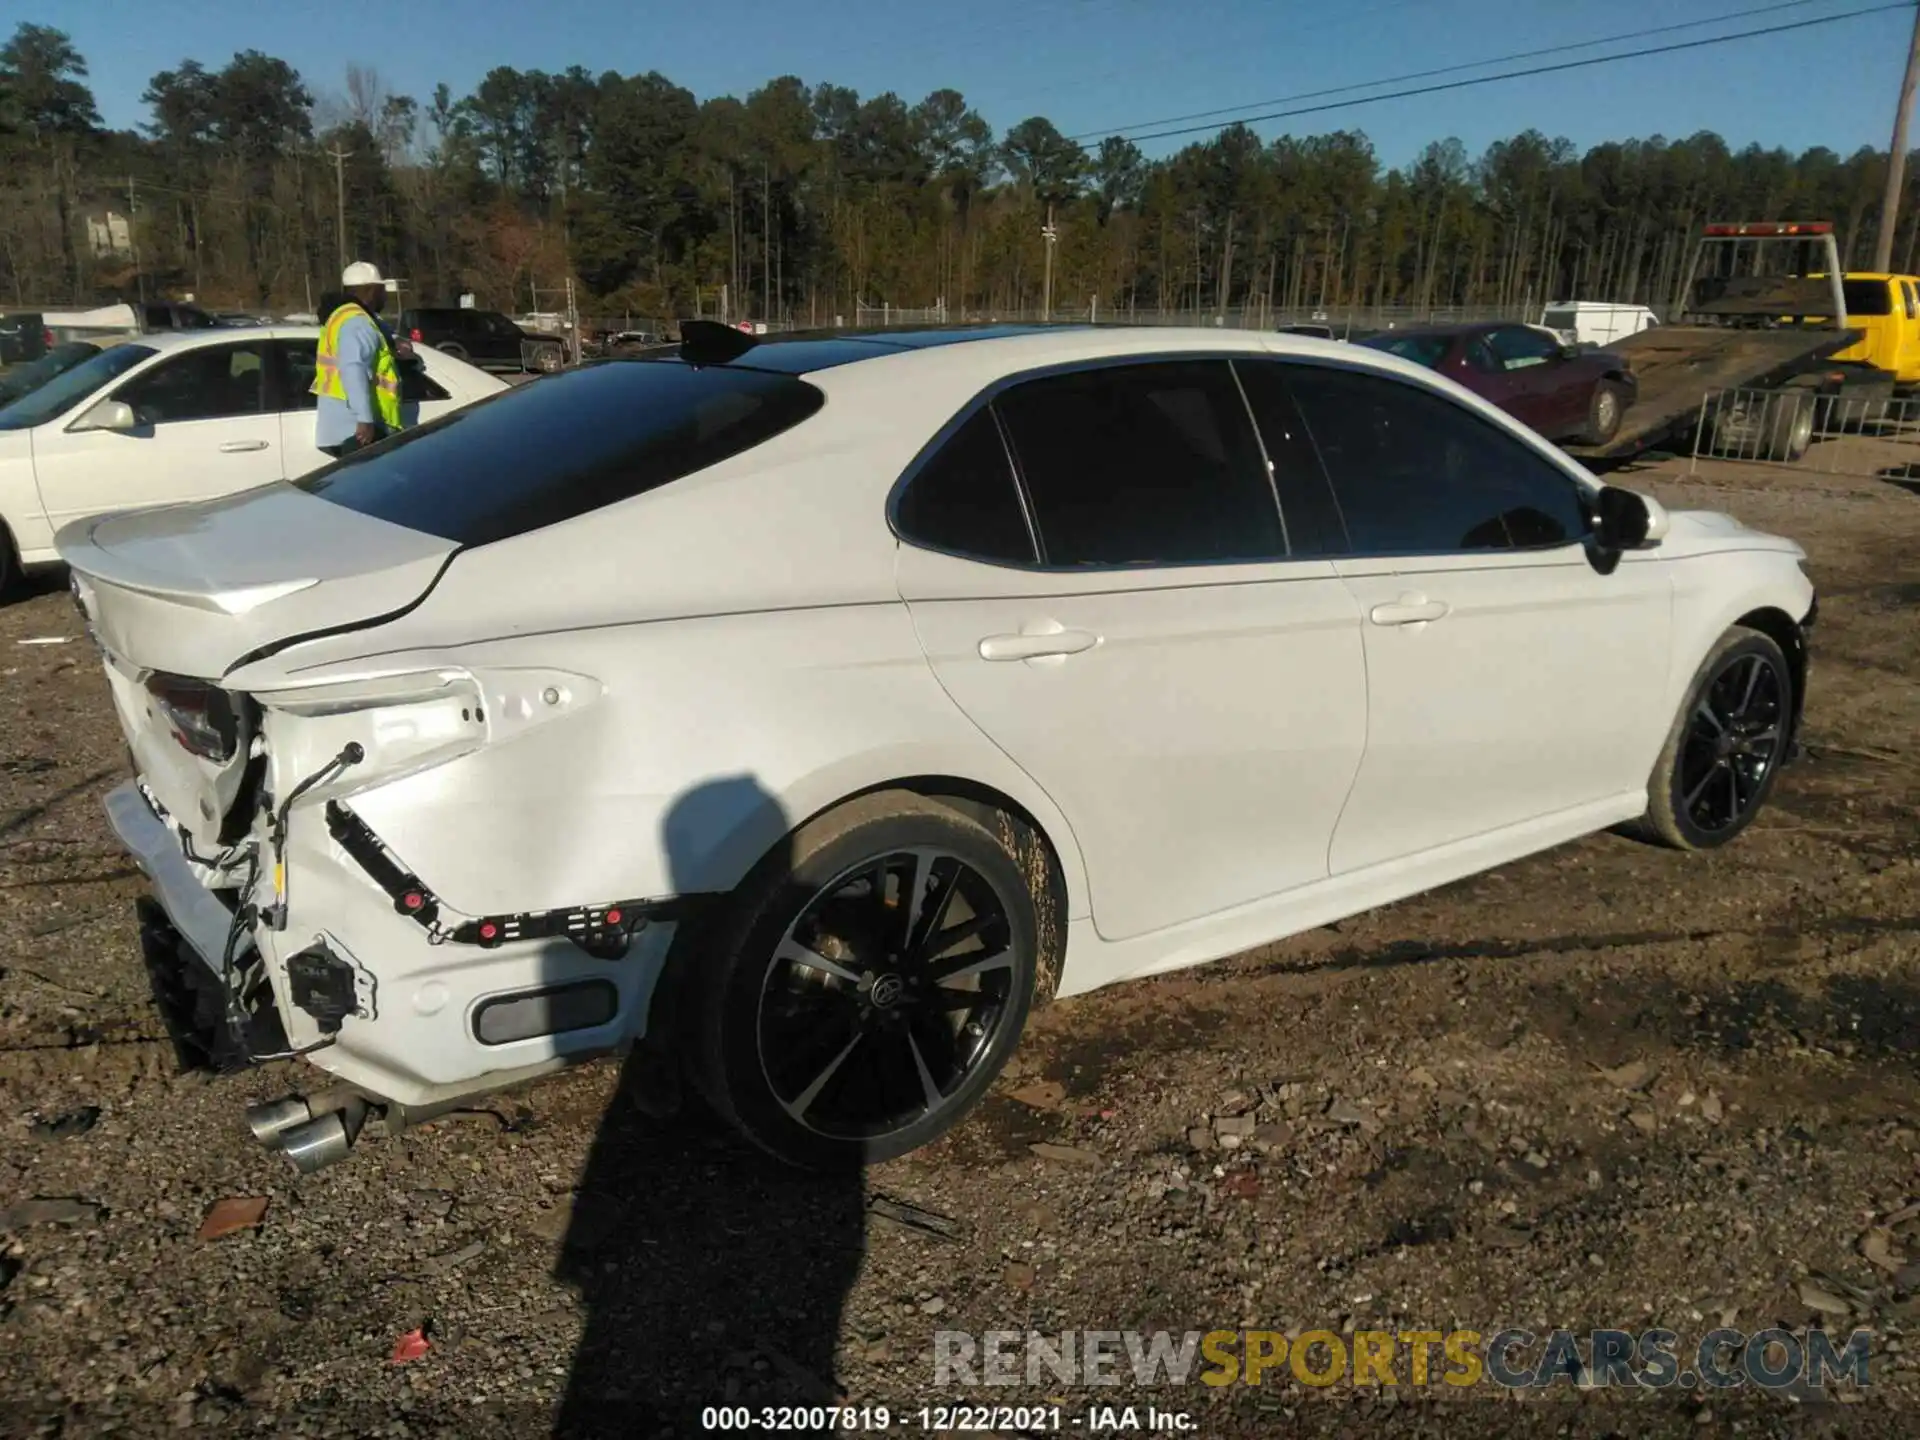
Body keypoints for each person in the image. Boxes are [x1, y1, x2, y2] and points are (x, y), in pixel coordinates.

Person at [312, 261, 411, 458]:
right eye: (382, 290)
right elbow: (353, 367)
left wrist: (394, 340)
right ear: (371, 291)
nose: (385, 296)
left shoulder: (340, 316)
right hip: (358, 432)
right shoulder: (358, 322)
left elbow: (373, 336)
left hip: (339, 426)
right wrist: (364, 419)